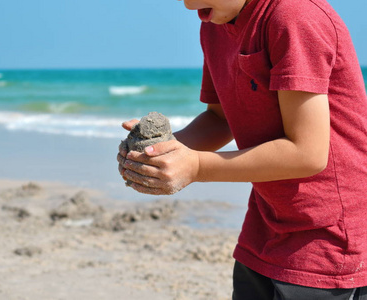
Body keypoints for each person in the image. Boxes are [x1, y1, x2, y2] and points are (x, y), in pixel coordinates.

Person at [117, 0, 367, 298]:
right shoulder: (214, 24)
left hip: (330, 234)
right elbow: (219, 118)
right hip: (265, 221)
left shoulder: (295, 17)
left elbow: (307, 154)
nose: (187, 4)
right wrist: (159, 154)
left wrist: (196, 168)